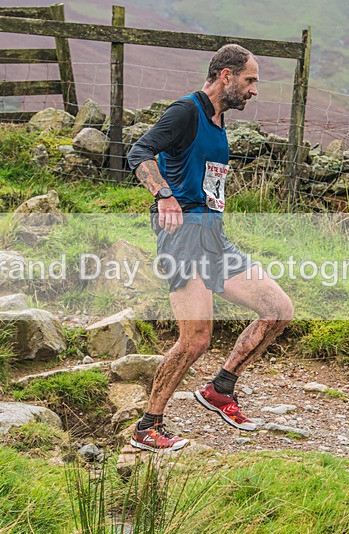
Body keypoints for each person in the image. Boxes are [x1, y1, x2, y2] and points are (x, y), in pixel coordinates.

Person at [126, 44, 294, 452]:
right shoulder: (186, 111)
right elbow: (139, 152)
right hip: (182, 234)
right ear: (226, 76)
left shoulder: (219, 121)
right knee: (195, 339)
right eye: (250, 80)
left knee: (278, 311)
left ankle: (221, 388)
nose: (254, 91)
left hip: (213, 235)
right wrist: (164, 195)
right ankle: (148, 425)